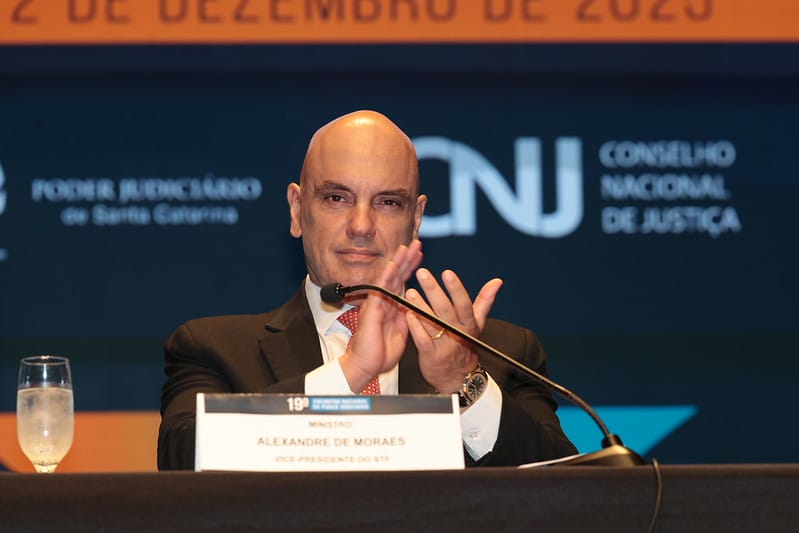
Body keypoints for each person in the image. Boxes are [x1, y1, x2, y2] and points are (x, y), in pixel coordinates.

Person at [158, 110, 576, 470]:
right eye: (337, 198)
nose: (361, 226)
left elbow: (568, 496)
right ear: (297, 210)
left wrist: (463, 385)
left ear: (416, 219)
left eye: (388, 202)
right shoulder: (213, 350)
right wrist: (350, 374)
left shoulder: (500, 354)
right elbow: (184, 462)